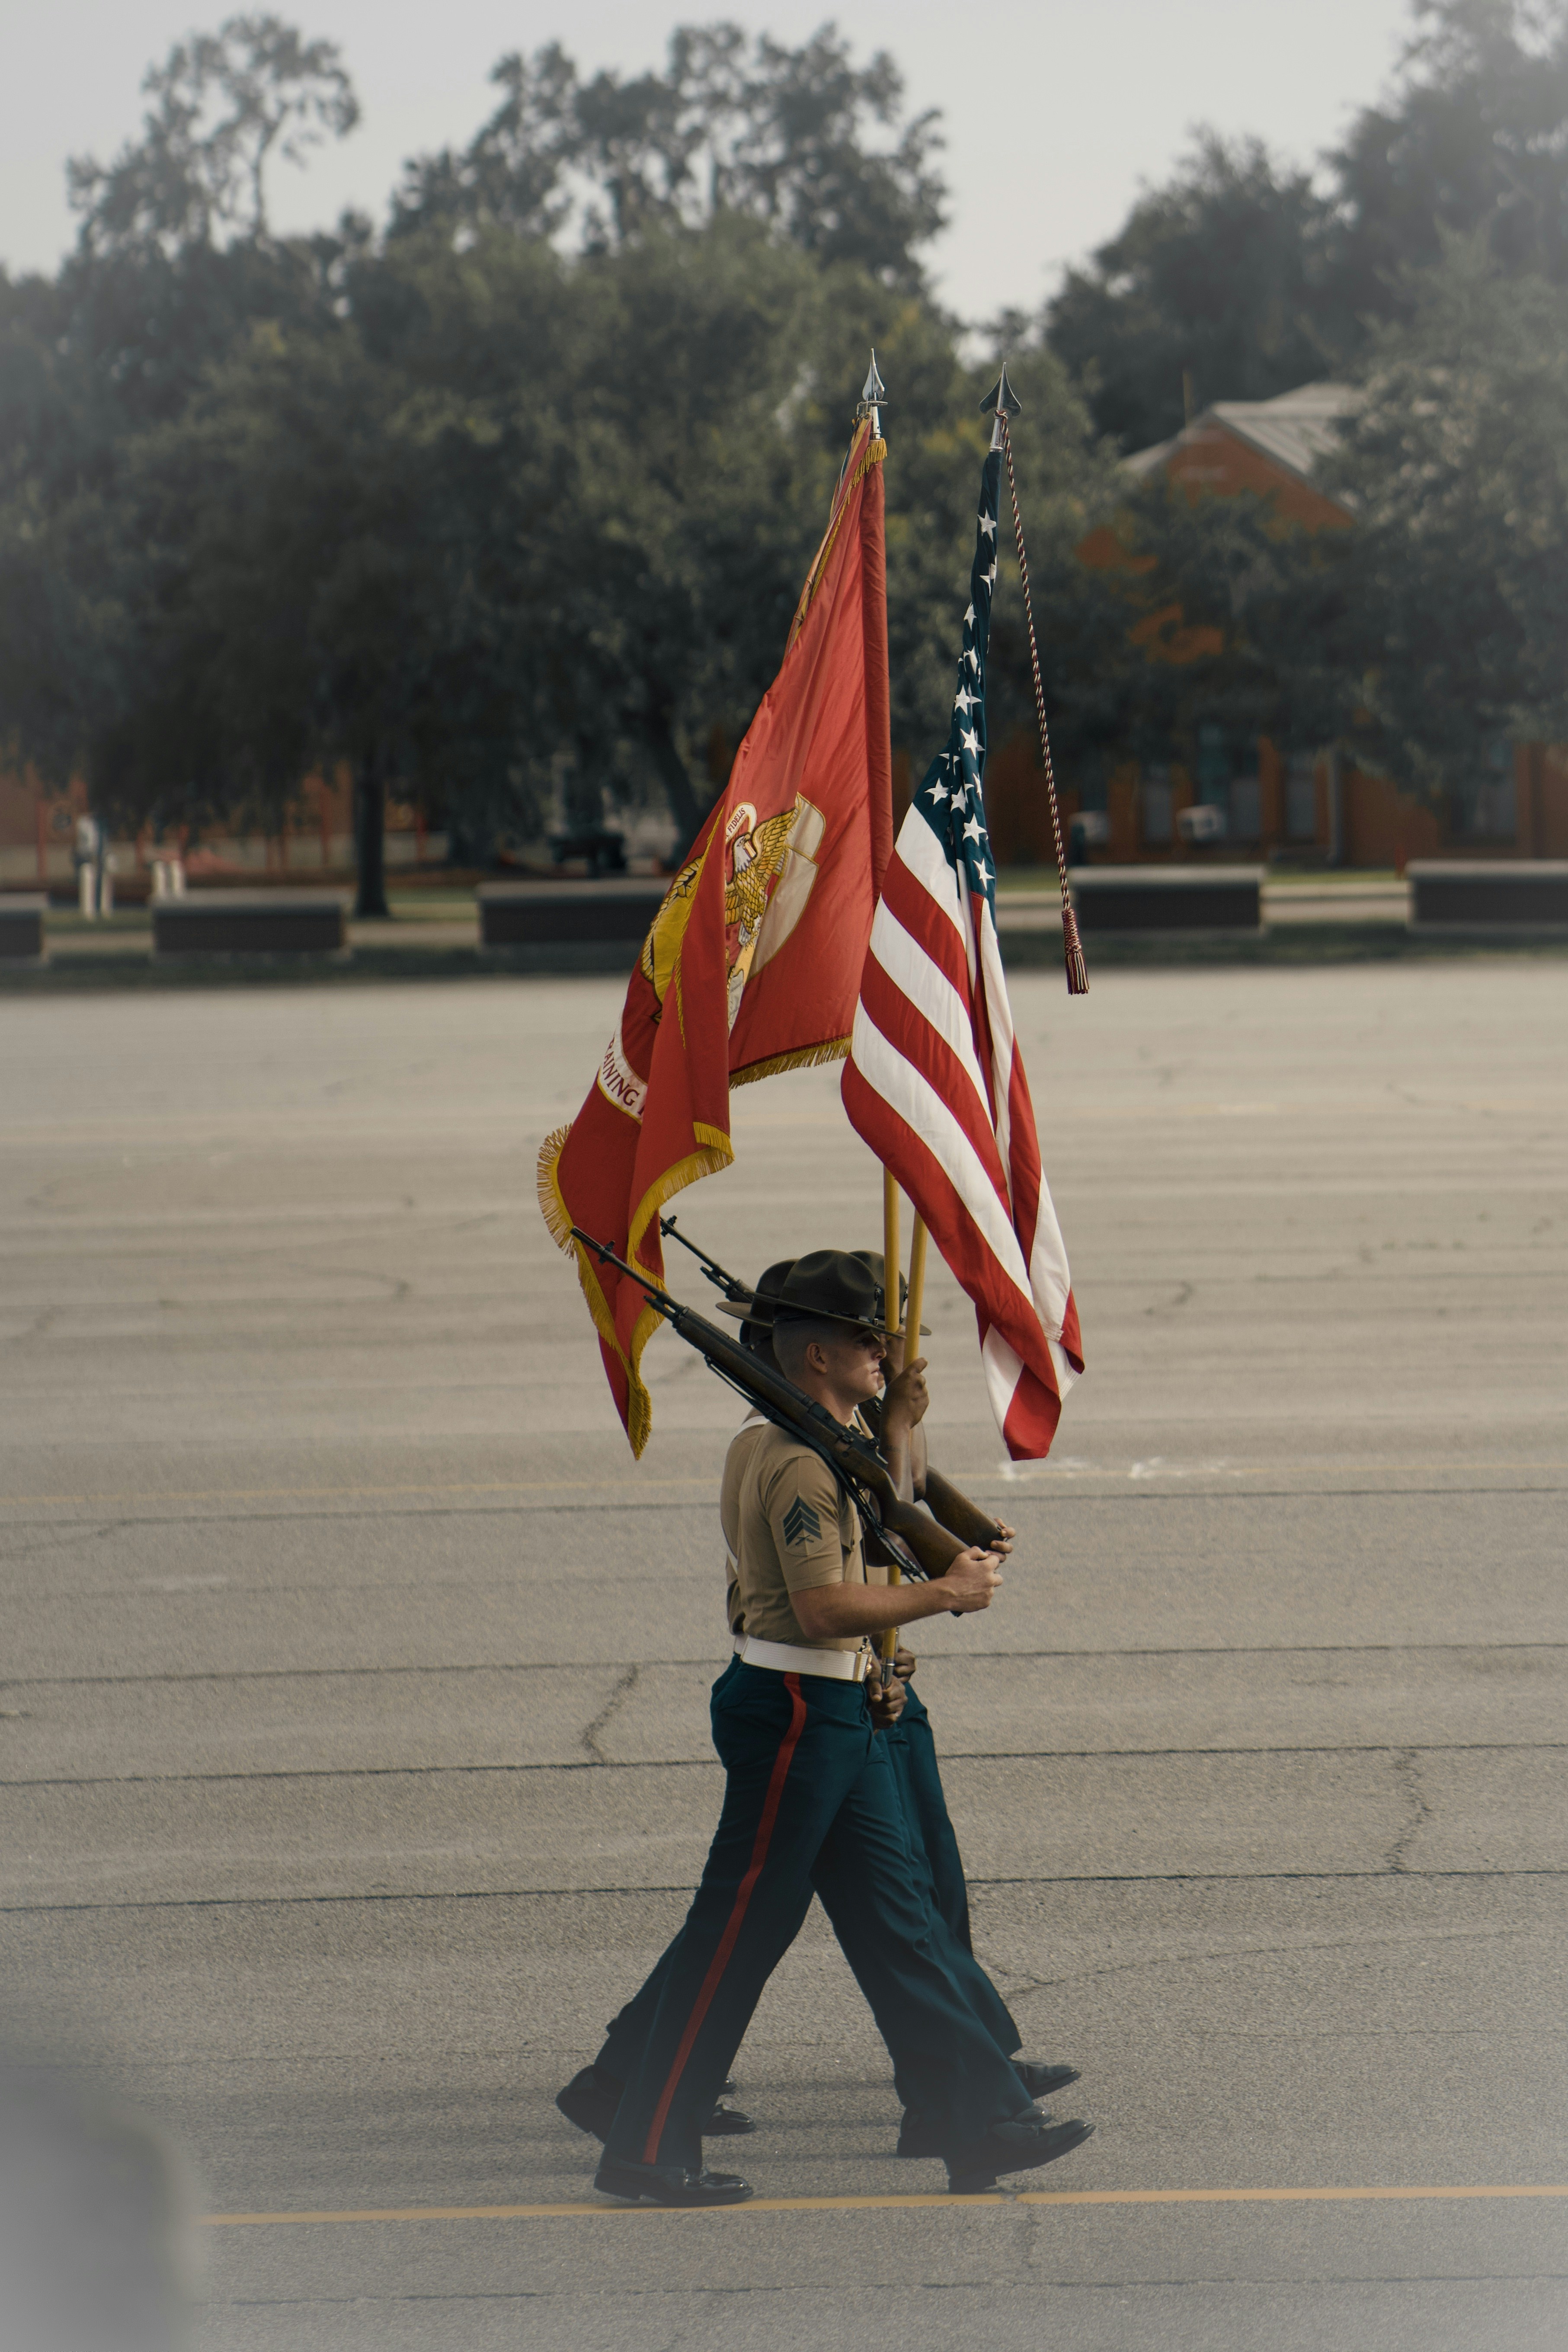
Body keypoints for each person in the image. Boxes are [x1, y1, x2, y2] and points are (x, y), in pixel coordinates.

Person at [570, 1251, 1091, 2206]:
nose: (886, 1350)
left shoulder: (818, 1438)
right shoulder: (797, 1460)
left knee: (900, 1922)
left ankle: (976, 2121)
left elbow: (884, 1501)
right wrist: (943, 1592)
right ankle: (640, 2139)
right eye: (866, 1339)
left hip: (835, 1704)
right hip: (797, 1710)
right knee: (735, 1934)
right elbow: (815, 1607)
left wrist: (898, 1438)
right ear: (813, 1356)